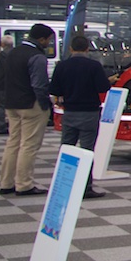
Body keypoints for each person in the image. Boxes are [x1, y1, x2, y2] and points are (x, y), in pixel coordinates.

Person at [50, 34, 114, 199]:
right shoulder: (94, 66)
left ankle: (63, 184)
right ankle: (86, 188)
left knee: (66, 148)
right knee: (87, 151)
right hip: (89, 113)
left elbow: (55, 90)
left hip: (69, 112)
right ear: (87, 48)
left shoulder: (62, 66)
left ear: (71, 48)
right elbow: (102, 87)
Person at [0, 24, 55, 196]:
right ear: (41, 39)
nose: (49, 43)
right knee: (29, 145)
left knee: (13, 143)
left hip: (11, 103)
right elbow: (39, 85)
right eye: (49, 40)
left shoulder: (12, 52)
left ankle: (6, 183)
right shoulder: (37, 56)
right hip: (31, 104)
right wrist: (46, 104)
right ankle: (24, 184)